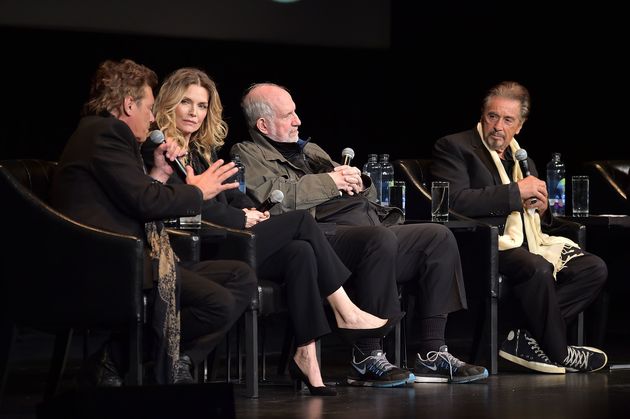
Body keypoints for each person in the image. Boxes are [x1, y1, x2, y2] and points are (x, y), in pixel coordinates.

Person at [144, 67, 405, 394]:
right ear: (169, 104)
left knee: (300, 252)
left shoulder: (203, 150)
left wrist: (249, 210)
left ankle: (307, 357)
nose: (195, 112)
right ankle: (345, 309)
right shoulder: (159, 149)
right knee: (300, 222)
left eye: (202, 105)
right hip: (200, 246)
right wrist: (241, 219)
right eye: (187, 103)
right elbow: (191, 203)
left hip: (229, 237)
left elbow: (231, 195)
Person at [232, 82, 489, 385]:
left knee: (437, 237)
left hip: (364, 225)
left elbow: (366, 198)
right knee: (376, 239)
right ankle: (368, 356)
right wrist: (332, 181)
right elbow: (276, 198)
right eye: (289, 115)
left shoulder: (310, 149)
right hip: (319, 236)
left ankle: (431, 353)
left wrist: (361, 183)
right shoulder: (247, 153)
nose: (298, 120)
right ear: (263, 124)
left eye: (296, 113)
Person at [50, 59, 258, 386]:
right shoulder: (107, 132)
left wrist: (159, 174)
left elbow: (139, 195)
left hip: (132, 257)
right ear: (128, 104)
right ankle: (116, 359)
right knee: (218, 303)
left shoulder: (106, 134)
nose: (151, 116)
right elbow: (144, 203)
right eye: (148, 107)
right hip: (108, 262)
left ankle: (167, 362)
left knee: (241, 275)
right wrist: (195, 191)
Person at [430, 80, 608, 373]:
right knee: (536, 267)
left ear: (520, 126)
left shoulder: (520, 157)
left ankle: (526, 338)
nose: (498, 126)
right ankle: (559, 352)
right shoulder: (455, 147)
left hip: (529, 241)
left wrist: (543, 208)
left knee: (592, 268)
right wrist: (516, 193)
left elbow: (538, 216)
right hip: (484, 243)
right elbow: (455, 202)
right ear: (483, 116)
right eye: (492, 116)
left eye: (508, 119)